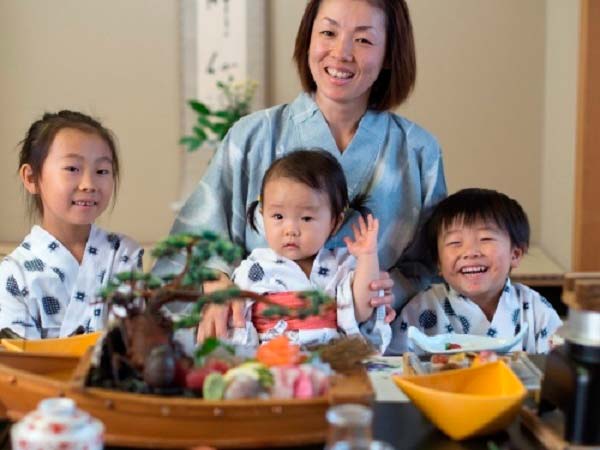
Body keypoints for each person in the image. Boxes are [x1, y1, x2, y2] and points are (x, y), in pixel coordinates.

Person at [154, 0, 446, 345]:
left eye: (364, 40)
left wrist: (382, 292)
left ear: (389, 54)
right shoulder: (251, 137)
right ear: (308, 39)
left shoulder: (418, 151)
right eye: (328, 32)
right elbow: (192, 246)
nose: (341, 52)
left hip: (373, 350)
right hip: (260, 356)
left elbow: (430, 265)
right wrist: (218, 285)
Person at [228, 150, 391, 352]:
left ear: (335, 222)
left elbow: (361, 310)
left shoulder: (341, 263)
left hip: (332, 359)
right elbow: (238, 324)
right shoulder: (255, 268)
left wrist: (367, 257)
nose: (291, 230)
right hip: (273, 362)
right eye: (278, 216)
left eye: (306, 218)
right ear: (262, 214)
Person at [0, 111, 143, 339]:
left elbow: (133, 343)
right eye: (72, 169)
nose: (89, 184)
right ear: (31, 178)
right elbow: (19, 361)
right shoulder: (13, 274)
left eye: (102, 171)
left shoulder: (123, 253)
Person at [394, 188, 562, 354]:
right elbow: (395, 367)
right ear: (438, 261)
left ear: (515, 254)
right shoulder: (421, 309)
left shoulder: (535, 309)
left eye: (485, 239)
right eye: (455, 242)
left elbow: (557, 365)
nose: (471, 252)